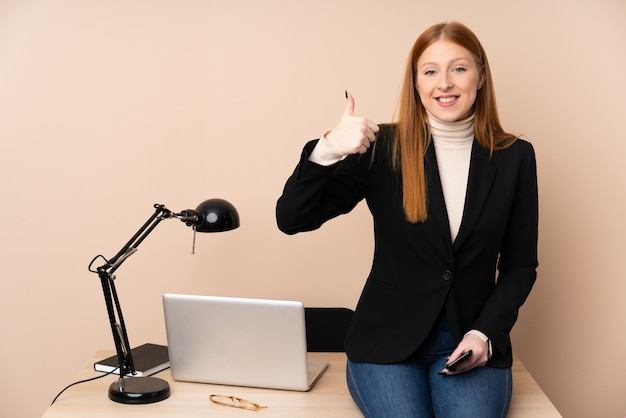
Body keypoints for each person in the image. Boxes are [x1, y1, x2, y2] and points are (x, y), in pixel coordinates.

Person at [276, 21, 538, 418]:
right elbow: (292, 218)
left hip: (468, 337)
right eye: (430, 71)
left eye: (459, 68)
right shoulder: (380, 149)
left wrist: (485, 333)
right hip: (385, 340)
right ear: (415, 82)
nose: (444, 83)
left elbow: (520, 265)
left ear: (481, 75)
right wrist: (327, 149)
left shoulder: (516, 157)